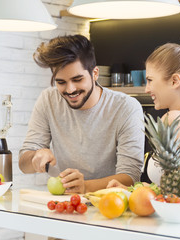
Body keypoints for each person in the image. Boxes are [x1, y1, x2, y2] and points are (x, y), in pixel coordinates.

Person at [18, 35, 144, 194]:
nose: (70, 89)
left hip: (110, 204)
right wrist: (35, 156)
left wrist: (85, 186)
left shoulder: (126, 107)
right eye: (61, 82)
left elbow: (131, 177)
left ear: (95, 73)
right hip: (63, 203)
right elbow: (23, 164)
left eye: (77, 79)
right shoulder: (48, 99)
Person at [108, 32, 180, 198]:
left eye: (150, 80)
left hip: (175, 220)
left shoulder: (175, 119)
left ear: (174, 81)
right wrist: (129, 191)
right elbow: (174, 188)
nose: (146, 89)